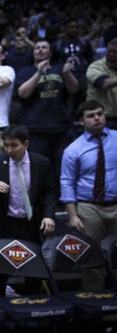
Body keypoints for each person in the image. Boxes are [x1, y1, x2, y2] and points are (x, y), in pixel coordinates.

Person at [0, 124, 56, 297]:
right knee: (1, 271)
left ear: (26, 144)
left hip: (31, 224)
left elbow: (49, 194)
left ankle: (32, 310)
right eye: (6, 145)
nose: (9, 150)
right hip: (6, 224)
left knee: (33, 270)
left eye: (14, 145)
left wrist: (49, 216)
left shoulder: (41, 163)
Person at [60, 100, 117, 291]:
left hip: (116, 203)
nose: (97, 118)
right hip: (89, 207)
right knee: (91, 260)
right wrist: (73, 215)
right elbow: (66, 182)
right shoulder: (73, 149)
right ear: (81, 121)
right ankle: (95, 304)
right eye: (91, 116)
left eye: (100, 114)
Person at [15, 39, 79, 196]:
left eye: (44, 47)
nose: (40, 50)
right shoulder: (26, 71)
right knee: (39, 167)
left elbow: (74, 89)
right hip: (36, 128)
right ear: (33, 52)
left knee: (61, 167)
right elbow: (23, 93)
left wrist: (67, 73)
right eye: (37, 47)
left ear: (50, 52)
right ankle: (42, 200)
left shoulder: (59, 69)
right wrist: (38, 74)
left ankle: (61, 200)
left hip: (60, 127)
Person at [86, 37, 117, 129]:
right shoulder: (95, 67)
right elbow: (104, 84)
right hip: (101, 120)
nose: (111, 55)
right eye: (109, 51)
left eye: (116, 52)